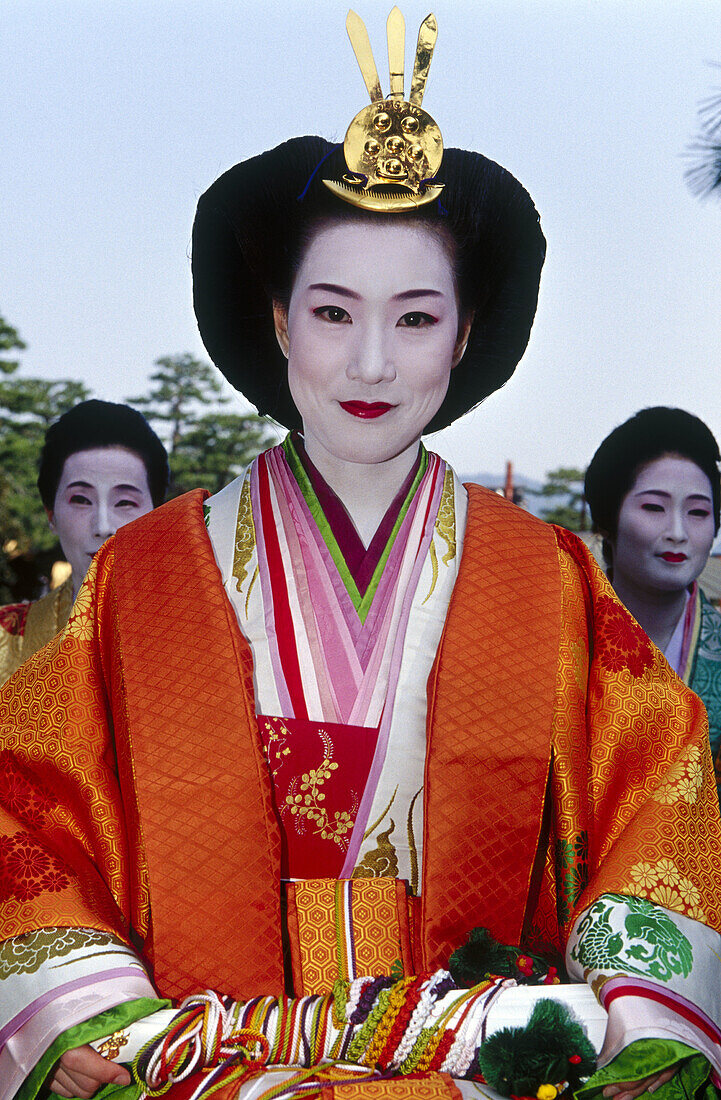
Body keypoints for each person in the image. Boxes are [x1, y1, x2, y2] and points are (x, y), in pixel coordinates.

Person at [1, 13, 721, 1100]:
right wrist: (73, 1012)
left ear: (465, 333)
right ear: (279, 319)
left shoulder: (546, 579)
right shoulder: (144, 573)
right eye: (334, 311)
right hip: (200, 1064)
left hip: (484, 1065)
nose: (372, 361)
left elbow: (656, 794)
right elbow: (28, 806)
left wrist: (648, 1018)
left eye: (416, 317)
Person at [585, 407, 721, 797]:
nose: (677, 532)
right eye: (653, 508)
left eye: (697, 512)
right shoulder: (557, 638)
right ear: (607, 522)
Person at [0, 400, 169, 685]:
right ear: (51, 514)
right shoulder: (6, 640)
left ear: (158, 514)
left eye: (125, 501)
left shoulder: (210, 633)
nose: (104, 527)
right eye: (80, 499)